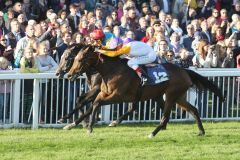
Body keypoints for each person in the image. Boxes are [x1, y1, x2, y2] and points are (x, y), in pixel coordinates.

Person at [0, 57, 12, 123]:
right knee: (1, 105)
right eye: (2, 63)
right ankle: (0, 118)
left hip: (7, 90)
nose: (4, 64)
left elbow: (11, 80)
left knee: (6, 105)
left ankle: (6, 117)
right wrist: (2, 81)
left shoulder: (8, 70)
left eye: (5, 63)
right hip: (0, 91)